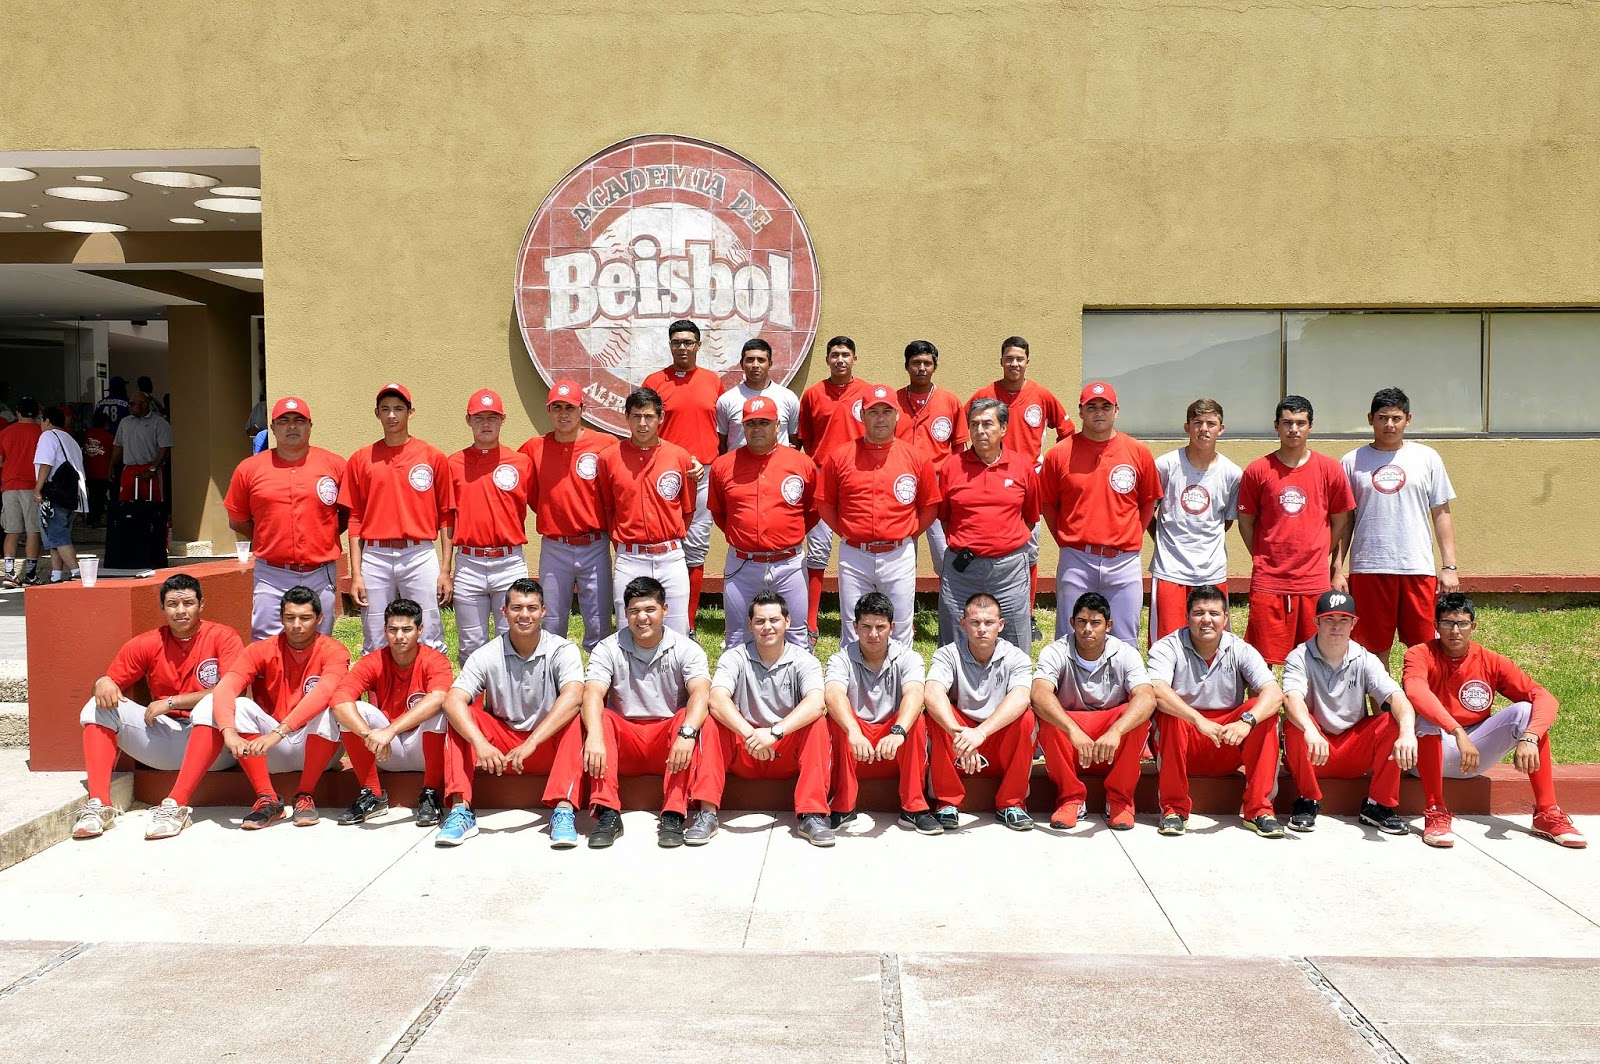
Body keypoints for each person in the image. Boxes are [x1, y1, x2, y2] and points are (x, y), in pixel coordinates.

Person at [144, 586, 349, 839]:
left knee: (332, 707)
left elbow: (323, 693)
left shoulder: (335, 650)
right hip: (267, 750)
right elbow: (226, 688)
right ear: (280, 617)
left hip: (316, 747)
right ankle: (188, 803)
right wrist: (229, 733)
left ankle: (304, 795)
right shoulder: (260, 650)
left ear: (319, 619)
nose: (296, 625)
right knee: (222, 703)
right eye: (289, 618)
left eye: (305, 618)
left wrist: (278, 732)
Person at [1404, 593, 1586, 850]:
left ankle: (1546, 813)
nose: (1455, 630)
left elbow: (1544, 697)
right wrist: (1456, 731)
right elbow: (1415, 691)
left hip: (1474, 754)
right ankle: (1435, 811)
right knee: (1426, 717)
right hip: (1428, 753)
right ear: (1436, 626)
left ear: (1473, 626)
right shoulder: (1419, 654)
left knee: (1525, 711)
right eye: (1447, 623)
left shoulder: (1490, 660)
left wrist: (1530, 736)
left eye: (1462, 623)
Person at [72, 574, 244, 839]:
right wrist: (103, 681)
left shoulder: (223, 637)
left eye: (188, 603)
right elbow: (112, 681)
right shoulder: (148, 642)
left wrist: (172, 702)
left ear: (201, 604)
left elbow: (231, 690)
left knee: (211, 704)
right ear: (162, 608)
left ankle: (177, 805)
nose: (181, 611)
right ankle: (99, 806)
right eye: (173, 604)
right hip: (163, 739)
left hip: (215, 746)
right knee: (95, 707)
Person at [434, 577, 588, 848]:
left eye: (531, 608)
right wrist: (480, 743)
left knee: (574, 717)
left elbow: (574, 696)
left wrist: (532, 742)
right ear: (504, 612)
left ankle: (563, 811)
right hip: (501, 748)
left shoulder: (562, 649)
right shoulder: (486, 654)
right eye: (517, 608)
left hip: (546, 744)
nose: (524, 615)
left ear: (544, 611)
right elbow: (453, 700)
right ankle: (460, 810)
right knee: (459, 716)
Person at [580, 576, 716, 848]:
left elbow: (701, 692)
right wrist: (594, 736)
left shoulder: (686, 648)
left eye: (649, 610)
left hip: (669, 741)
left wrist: (687, 733)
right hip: (626, 739)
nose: (642, 618)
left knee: (696, 719)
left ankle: (674, 813)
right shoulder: (608, 648)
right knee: (602, 718)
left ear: (665, 609)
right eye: (634, 611)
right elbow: (592, 692)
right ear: (625, 613)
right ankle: (607, 812)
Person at [1148, 584, 1287, 838]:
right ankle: (1173, 810)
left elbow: (1274, 693)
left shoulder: (1240, 648)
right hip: (1185, 739)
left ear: (1226, 618)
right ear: (1187, 617)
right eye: (1199, 613)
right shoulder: (1167, 647)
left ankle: (1260, 810)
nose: (1206, 620)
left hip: (1227, 740)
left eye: (1214, 613)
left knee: (1263, 715)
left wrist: (1247, 721)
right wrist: (1197, 719)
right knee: (1170, 712)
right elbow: (1156, 690)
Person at [699, 591, 834, 847]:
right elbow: (716, 699)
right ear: (749, 624)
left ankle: (812, 814)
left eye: (774, 619)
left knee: (817, 724)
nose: (767, 627)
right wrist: (751, 735)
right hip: (745, 747)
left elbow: (817, 702)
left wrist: (773, 733)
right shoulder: (734, 657)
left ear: (788, 622)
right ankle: (707, 813)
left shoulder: (805, 660)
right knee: (712, 722)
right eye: (760, 621)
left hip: (784, 749)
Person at [1336, 387, 1459, 665]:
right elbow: (1345, 522)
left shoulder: (1427, 458)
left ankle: (1420, 706)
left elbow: (1441, 513)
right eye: (1382, 417)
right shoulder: (1352, 461)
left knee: (1425, 647)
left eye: (1396, 417)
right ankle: (1382, 708)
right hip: (1369, 568)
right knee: (1372, 649)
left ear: (1408, 419)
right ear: (1370, 419)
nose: (1389, 424)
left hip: (1417, 567)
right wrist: (1337, 568)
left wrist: (1449, 566)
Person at [1281, 589, 1418, 835]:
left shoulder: (1364, 658)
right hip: (1315, 750)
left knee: (1394, 722)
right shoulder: (1299, 656)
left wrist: (1408, 733)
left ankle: (1379, 805)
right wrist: (1311, 730)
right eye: (1329, 619)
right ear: (1316, 621)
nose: (1336, 626)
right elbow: (1291, 699)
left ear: (1354, 623)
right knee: (1295, 724)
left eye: (1343, 619)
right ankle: (1307, 800)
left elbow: (1397, 697)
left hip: (1354, 751)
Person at [963, 336, 1073, 631]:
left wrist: (1051, 467)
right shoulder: (984, 394)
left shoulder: (1042, 395)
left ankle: (1027, 612)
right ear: (1001, 361)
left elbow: (1067, 432)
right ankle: (981, 609)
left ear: (1027, 361)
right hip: (989, 483)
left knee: (1028, 550)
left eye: (1019, 359)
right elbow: (965, 435)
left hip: (1026, 485)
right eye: (1009, 358)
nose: (1014, 364)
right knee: (987, 548)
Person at [817, 385, 940, 647]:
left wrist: (906, 532)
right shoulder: (840, 456)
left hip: (899, 553)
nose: (880, 417)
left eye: (887, 411)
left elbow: (929, 506)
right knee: (853, 623)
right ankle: (852, 682)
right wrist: (850, 531)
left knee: (901, 623)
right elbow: (825, 504)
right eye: (873, 412)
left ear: (897, 415)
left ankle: (900, 682)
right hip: (854, 554)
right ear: (862, 415)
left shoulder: (916, 458)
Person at [1237, 395, 1355, 666]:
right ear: (1276, 426)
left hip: (1313, 580)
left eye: (1300, 423)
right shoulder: (1258, 470)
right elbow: (1246, 522)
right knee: (1259, 660)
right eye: (1287, 423)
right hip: (1269, 580)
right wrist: (1262, 554)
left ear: (1310, 427)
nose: (1294, 429)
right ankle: (1262, 709)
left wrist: (1321, 551)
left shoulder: (1330, 469)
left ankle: (1306, 710)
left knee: (1317, 658)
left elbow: (1341, 520)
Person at [1040, 382, 1160, 644]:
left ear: (1116, 410)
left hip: (1123, 562)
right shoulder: (1059, 454)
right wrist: (1065, 538)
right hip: (1076, 559)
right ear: (1081, 412)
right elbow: (1047, 504)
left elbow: (1148, 502)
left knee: (1125, 639)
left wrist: (1130, 536)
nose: (1099, 412)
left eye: (1106, 406)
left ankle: (1121, 686)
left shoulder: (1138, 452)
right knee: (1070, 636)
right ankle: (1069, 685)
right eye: (1091, 407)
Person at [342, 383, 455, 654]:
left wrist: (445, 569)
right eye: (385, 409)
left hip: (419, 553)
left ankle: (433, 693)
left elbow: (445, 516)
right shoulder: (361, 459)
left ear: (410, 412)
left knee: (429, 630)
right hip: (376, 556)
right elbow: (355, 519)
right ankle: (377, 697)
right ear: (377, 414)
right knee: (374, 634)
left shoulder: (432, 456)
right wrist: (356, 573)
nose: (392, 415)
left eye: (398, 409)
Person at [223, 397, 347, 638]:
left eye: (299, 420)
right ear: (272, 428)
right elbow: (237, 519)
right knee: (266, 645)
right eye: (284, 421)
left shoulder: (335, 465)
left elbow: (347, 514)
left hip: (321, 572)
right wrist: (270, 538)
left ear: (310, 426)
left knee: (320, 643)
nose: (292, 426)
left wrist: (323, 535)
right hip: (272, 574)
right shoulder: (249, 469)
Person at [1032, 592, 1156, 830]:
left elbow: (1147, 697)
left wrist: (1117, 731)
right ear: (1072, 623)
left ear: (1108, 626)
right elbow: (1038, 693)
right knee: (1045, 714)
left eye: (1095, 622)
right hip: (1072, 733)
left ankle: (1120, 801)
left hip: (1110, 735)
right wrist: (1072, 729)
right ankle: (1071, 799)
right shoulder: (1056, 651)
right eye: (1081, 621)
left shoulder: (1125, 653)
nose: (1087, 629)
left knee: (1136, 716)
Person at [326, 598, 452, 828]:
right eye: (393, 630)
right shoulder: (373, 661)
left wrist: (389, 731)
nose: (399, 636)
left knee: (440, 709)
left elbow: (440, 698)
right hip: (386, 752)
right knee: (357, 709)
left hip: (424, 750)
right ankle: (372, 794)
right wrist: (369, 735)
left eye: (406, 629)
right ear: (385, 631)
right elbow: (339, 700)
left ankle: (430, 794)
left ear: (420, 630)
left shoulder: (435, 661)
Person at [707, 395, 818, 649]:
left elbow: (813, 511)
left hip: (789, 562)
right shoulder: (724, 466)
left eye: (764, 423)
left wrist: (786, 536)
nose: (758, 428)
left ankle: (799, 688)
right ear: (743, 426)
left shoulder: (802, 463)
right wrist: (745, 537)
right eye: (751, 423)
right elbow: (720, 513)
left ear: (778, 425)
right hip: (742, 563)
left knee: (796, 633)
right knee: (737, 635)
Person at [823, 592, 939, 834]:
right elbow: (833, 694)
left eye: (880, 627)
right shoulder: (841, 658)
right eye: (865, 626)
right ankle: (843, 806)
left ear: (892, 627)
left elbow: (916, 694)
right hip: (856, 744)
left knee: (915, 721)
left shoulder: (909, 657)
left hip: (893, 743)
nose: (873, 634)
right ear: (854, 627)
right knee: (836, 719)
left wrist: (898, 731)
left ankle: (914, 808)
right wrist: (853, 730)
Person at [923, 593, 1037, 831]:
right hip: (960, 739)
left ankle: (1012, 803)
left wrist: (981, 733)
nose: (982, 629)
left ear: (1001, 625)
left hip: (995, 735)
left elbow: (1021, 696)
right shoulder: (947, 654)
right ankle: (946, 803)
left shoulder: (1016, 657)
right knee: (935, 716)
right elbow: (932, 692)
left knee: (1026, 718)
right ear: (963, 624)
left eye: (989, 623)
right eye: (975, 622)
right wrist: (959, 734)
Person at [520, 379, 618, 651]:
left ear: (582, 410)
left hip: (595, 543)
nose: (564, 414)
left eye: (570, 407)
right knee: (551, 619)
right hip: (555, 546)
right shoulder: (533, 447)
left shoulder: (606, 444)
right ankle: (556, 678)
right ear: (549, 410)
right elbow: (524, 487)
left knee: (599, 620)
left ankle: (598, 685)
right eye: (557, 407)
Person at [937, 396, 1039, 649]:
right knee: (955, 642)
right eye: (974, 424)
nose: (980, 431)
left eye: (987, 424)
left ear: (1003, 428)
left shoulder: (1022, 467)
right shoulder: (952, 467)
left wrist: (1000, 544)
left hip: (1009, 570)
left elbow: (1029, 518)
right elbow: (945, 518)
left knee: (1015, 641)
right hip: (962, 570)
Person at [596, 387, 697, 635]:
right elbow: (608, 507)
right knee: (627, 628)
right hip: (630, 557)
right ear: (627, 417)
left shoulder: (679, 456)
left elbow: (687, 508)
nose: (642, 423)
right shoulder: (609, 457)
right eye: (636, 416)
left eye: (649, 416)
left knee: (676, 628)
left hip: (671, 556)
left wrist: (670, 534)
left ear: (661, 418)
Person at [642, 320, 721, 633]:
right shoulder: (654, 381)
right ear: (670, 345)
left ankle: (686, 625)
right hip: (664, 474)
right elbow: (643, 426)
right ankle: (655, 618)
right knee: (663, 544)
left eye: (688, 342)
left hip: (703, 474)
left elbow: (723, 431)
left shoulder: (713, 381)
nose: (682, 347)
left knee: (695, 548)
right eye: (677, 342)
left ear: (698, 346)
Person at [447, 388, 534, 663]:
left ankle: (509, 704)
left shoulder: (521, 463)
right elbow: (447, 519)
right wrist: (445, 569)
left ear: (503, 420)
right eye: (479, 417)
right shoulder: (453, 464)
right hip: (469, 563)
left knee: (514, 638)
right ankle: (474, 705)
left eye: (492, 417)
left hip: (509, 561)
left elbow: (540, 503)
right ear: (468, 420)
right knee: (471, 644)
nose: (486, 423)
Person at [1148, 398, 1242, 645]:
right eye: (1197, 422)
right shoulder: (1166, 465)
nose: (1204, 428)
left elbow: (1226, 520)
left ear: (1221, 429)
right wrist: (1162, 539)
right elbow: (1148, 512)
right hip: (1170, 569)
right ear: (1186, 427)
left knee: (1211, 640)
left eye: (1211, 423)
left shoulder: (1232, 473)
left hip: (1211, 569)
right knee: (1166, 644)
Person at [796, 336, 871, 642]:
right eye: (835, 355)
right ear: (827, 360)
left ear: (855, 359)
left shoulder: (868, 393)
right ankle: (810, 623)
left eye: (846, 355)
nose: (840, 360)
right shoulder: (813, 394)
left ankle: (871, 618)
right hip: (823, 475)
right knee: (818, 549)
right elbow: (804, 439)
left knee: (864, 546)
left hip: (860, 477)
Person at [895, 340, 967, 577]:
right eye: (916, 363)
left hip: (938, 485)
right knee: (903, 549)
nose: (922, 368)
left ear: (935, 366)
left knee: (943, 548)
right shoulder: (892, 403)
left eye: (927, 362)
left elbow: (958, 448)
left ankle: (949, 606)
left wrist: (956, 484)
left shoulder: (950, 401)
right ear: (906, 366)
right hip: (901, 483)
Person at [107, 388, 173, 570]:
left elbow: (164, 448)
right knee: (125, 508)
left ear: (144, 405)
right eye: (130, 403)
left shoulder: (159, 423)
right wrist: (111, 465)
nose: (129, 407)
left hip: (150, 469)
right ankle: (128, 546)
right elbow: (118, 446)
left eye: (133, 404)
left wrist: (153, 468)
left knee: (154, 509)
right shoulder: (125, 423)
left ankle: (160, 546)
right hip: (129, 470)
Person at [715, 338, 801, 452]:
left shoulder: (788, 397)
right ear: (741, 364)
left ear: (770, 364)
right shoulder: (726, 400)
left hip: (777, 468)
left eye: (761, 360)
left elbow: (795, 440)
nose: (755, 365)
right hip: (740, 468)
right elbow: (722, 443)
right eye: (750, 360)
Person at [33, 406, 86, 582]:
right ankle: (56, 575)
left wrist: (38, 489)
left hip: (55, 495)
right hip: (72, 496)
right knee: (57, 537)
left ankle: (77, 573)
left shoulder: (48, 436)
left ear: (47, 421)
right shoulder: (70, 439)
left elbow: (45, 464)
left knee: (59, 537)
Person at [0, 398, 44, 587]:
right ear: (38, 413)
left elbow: (0, 461)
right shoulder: (43, 433)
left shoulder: (5, 432)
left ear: (17, 413)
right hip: (33, 488)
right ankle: (31, 575)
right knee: (33, 530)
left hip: (9, 486)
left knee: (11, 531)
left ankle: (10, 574)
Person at [83, 411, 115, 528]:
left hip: (88, 472)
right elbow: (115, 453)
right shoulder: (109, 437)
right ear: (106, 423)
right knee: (99, 497)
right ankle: (95, 519)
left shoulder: (86, 434)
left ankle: (89, 518)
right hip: (102, 473)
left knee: (92, 495)